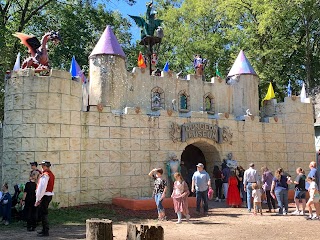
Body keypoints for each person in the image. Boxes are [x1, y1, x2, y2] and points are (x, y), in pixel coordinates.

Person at [35, 160, 55, 237]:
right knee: (44, 213)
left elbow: (41, 188)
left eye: (42, 166)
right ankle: (44, 230)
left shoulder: (45, 175)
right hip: (47, 195)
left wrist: (38, 199)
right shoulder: (50, 174)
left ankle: (45, 231)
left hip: (45, 196)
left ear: (44, 166)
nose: (41, 167)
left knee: (43, 214)